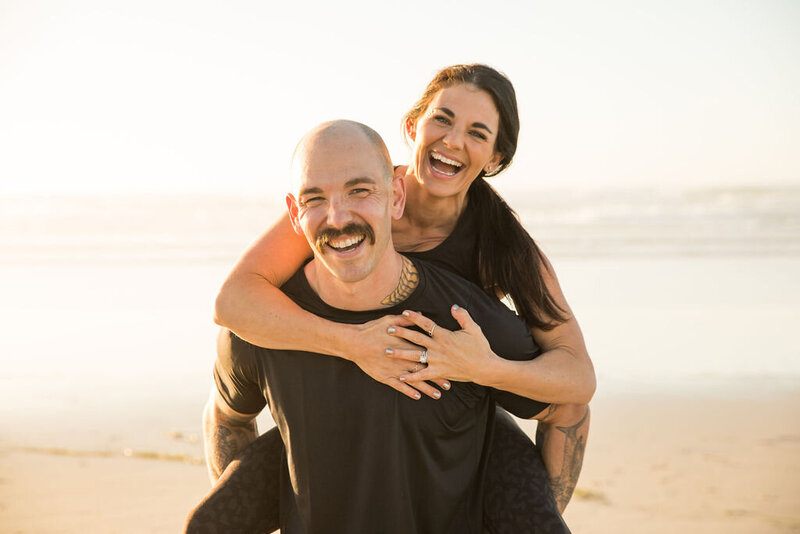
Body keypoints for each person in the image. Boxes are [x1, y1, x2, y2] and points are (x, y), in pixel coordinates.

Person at [192, 64, 593, 532]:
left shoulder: (502, 245)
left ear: (494, 158)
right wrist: (352, 343)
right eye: (442, 120)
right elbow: (234, 300)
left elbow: (576, 377)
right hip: (328, 401)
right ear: (412, 127)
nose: (452, 140)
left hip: (449, 413)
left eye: (477, 133)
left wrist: (483, 368)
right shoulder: (353, 199)